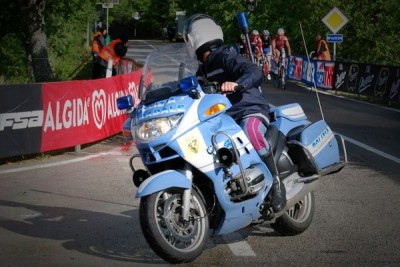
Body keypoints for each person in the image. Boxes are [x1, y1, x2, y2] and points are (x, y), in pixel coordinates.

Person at [184, 14, 286, 213]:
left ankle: (276, 183)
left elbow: (254, 71)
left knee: (251, 130)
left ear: (197, 37)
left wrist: (238, 84)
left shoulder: (225, 57)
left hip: (249, 110)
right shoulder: (201, 70)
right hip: (224, 117)